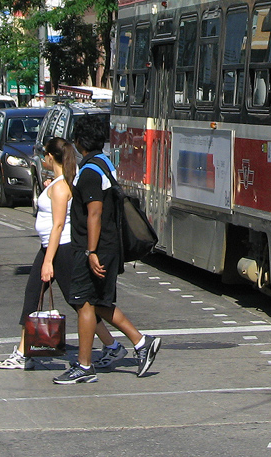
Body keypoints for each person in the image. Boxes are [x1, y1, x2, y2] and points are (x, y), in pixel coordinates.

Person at [0, 137, 121, 371]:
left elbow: (58, 226)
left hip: (60, 250)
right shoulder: (59, 183)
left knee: (80, 305)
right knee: (33, 298)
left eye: (45, 154)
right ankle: (24, 353)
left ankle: (113, 345)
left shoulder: (62, 185)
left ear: (51, 157)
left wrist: (48, 261)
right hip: (50, 248)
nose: (43, 158)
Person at [54, 117, 161, 384]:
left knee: (83, 302)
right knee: (98, 303)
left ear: (79, 142)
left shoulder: (90, 172)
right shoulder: (104, 163)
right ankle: (140, 342)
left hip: (95, 248)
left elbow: (95, 213)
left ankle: (85, 366)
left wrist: (91, 252)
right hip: (107, 246)